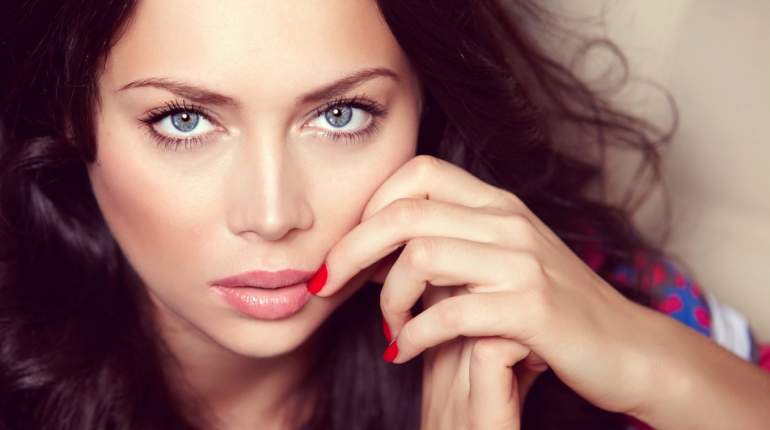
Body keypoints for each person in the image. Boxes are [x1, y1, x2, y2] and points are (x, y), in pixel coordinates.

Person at [0, 0, 768, 429]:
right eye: (184, 120)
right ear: (69, 113)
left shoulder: (559, 292)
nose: (272, 215)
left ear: (426, 105)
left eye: (340, 115)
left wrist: (649, 362)